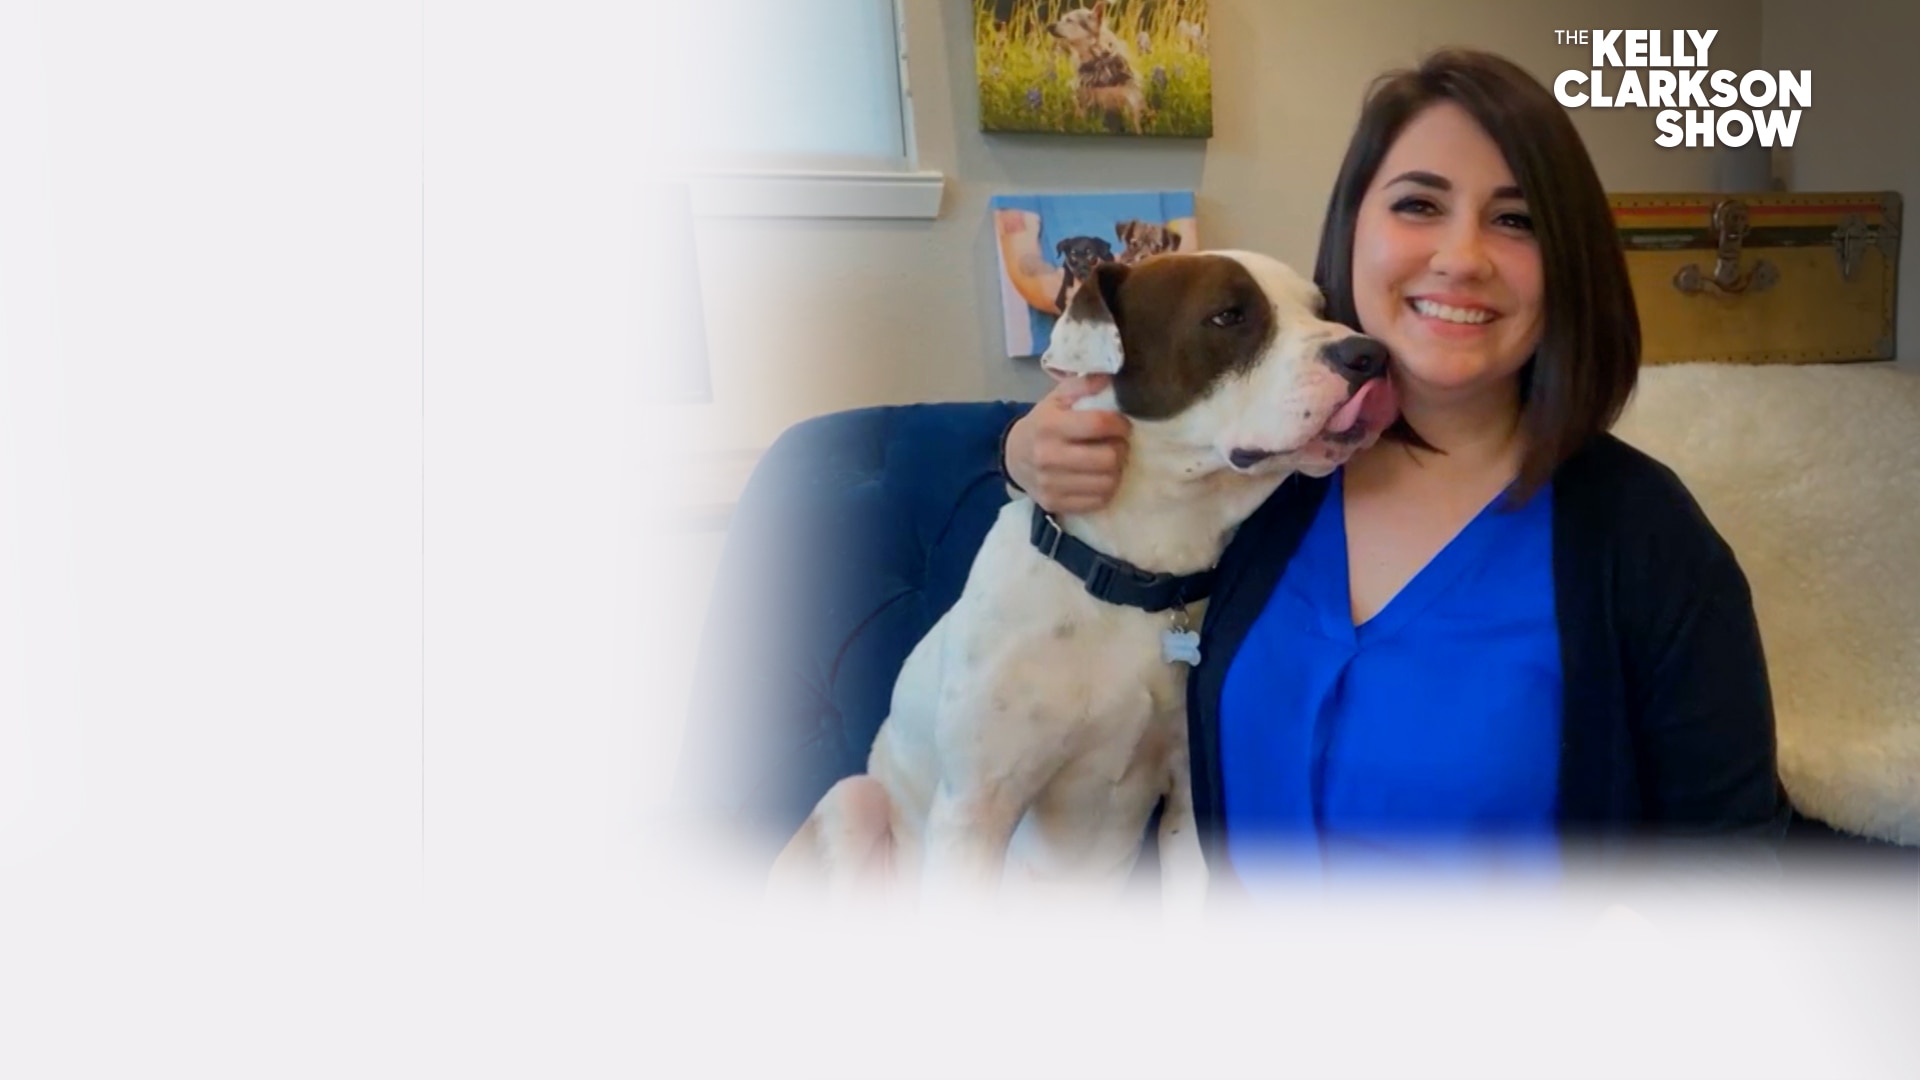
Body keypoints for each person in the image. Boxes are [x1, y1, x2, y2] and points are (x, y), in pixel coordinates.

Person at [999, 48, 1791, 895]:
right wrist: (1016, 452)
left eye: (1515, 220)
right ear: (1353, 228)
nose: (1462, 257)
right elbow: (1065, 474)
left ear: (1568, 261)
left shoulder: (1646, 541)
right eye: (1419, 204)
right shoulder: (1262, 474)